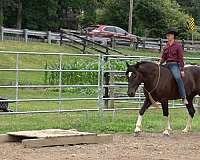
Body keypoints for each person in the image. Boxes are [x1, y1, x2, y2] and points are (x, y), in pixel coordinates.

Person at [158, 28, 188, 105]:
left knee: (178, 78)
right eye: (167, 36)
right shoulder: (166, 47)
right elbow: (164, 58)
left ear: (173, 36)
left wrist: (181, 70)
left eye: (169, 36)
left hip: (174, 64)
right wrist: (159, 64)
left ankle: (183, 96)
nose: (167, 37)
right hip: (166, 64)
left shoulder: (178, 46)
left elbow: (181, 58)